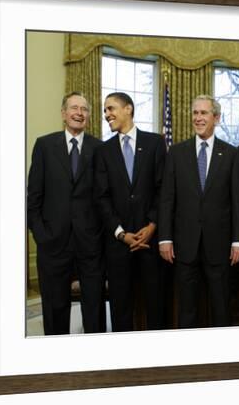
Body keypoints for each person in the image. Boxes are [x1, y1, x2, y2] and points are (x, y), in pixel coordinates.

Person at [158, 95, 239, 328]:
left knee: (220, 307)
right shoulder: (176, 153)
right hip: (184, 245)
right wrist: (164, 237)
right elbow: (167, 199)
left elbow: (237, 200)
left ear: (215, 117)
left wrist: (238, 241)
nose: (198, 118)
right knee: (187, 309)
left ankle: (221, 359)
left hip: (219, 245)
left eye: (203, 113)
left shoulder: (231, 154)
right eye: (195, 113)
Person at [27, 92, 105, 335]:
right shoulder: (44, 145)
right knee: (54, 305)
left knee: (94, 306)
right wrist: (41, 234)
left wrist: (99, 234)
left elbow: (105, 197)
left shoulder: (100, 148)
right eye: (74, 108)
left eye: (84, 109)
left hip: (90, 243)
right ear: (63, 113)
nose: (79, 113)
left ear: (89, 116)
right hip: (53, 242)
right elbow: (34, 196)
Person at [94, 92, 167, 332]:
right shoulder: (103, 151)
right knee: (120, 308)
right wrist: (121, 233)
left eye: (111, 108)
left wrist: (152, 225)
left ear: (128, 109)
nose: (107, 115)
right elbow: (101, 197)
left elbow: (162, 189)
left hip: (151, 242)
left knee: (156, 306)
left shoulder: (155, 143)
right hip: (118, 246)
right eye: (105, 111)